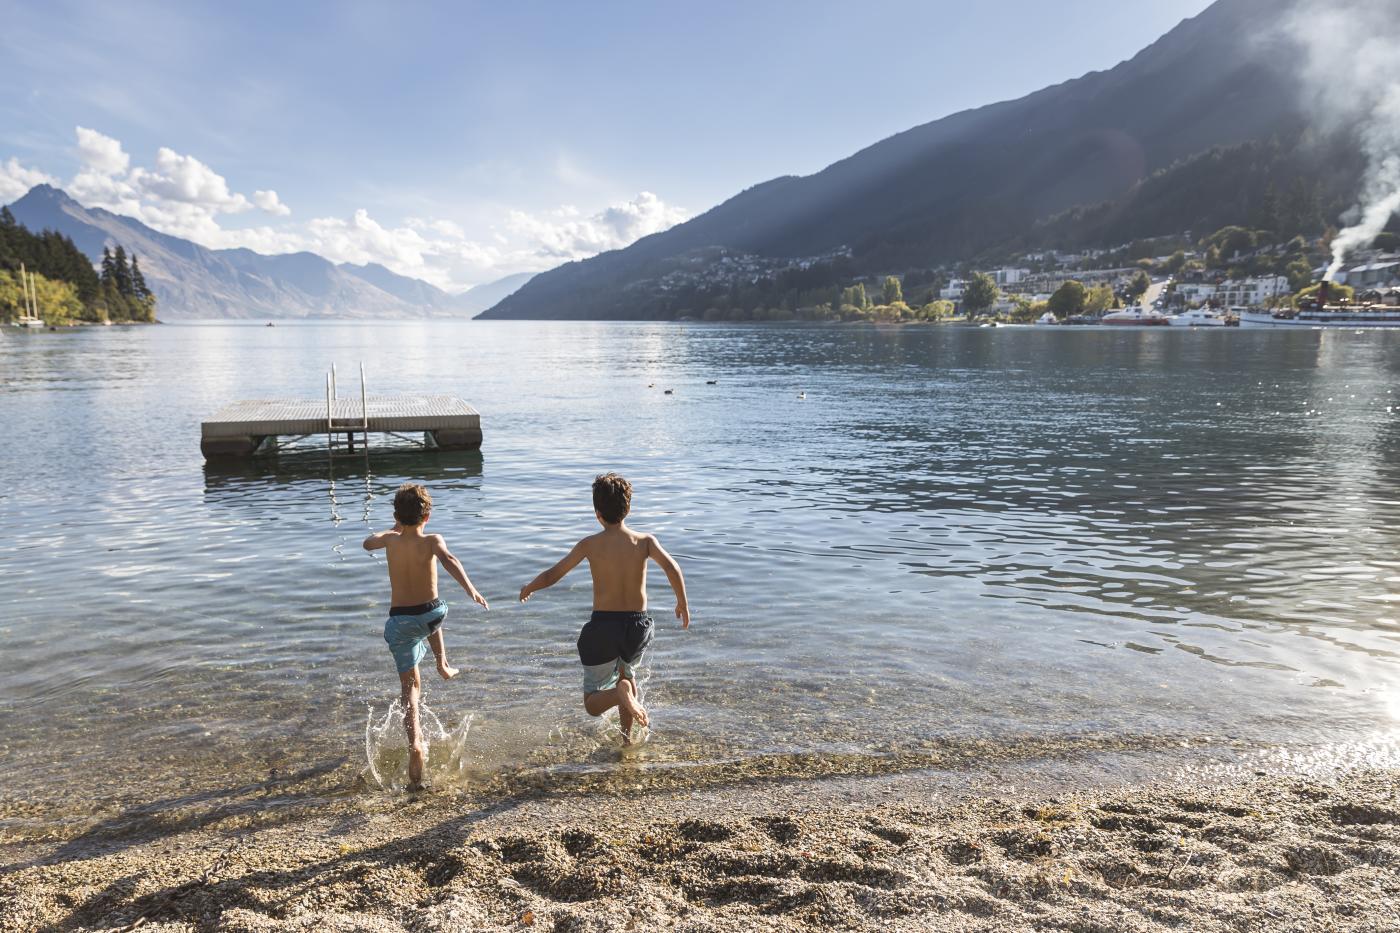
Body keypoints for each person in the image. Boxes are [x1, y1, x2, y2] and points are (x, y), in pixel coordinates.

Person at [519, 472, 689, 742]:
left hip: (603, 626)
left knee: (591, 702)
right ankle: (626, 738)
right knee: (626, 674)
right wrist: (682, 602)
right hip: (637, 626)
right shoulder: (645, 541)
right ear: (629, 508)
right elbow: (672, 567)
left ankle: (618, 694)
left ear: (597, 512)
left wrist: (529, 587)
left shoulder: (590, 544)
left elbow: (553, 575)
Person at [364, 483, 489, 789]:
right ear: (427, 516)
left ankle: (415, 744)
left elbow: (368, 543)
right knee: (434, 613)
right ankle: (443, 663)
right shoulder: (433, 539)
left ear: (396, 515)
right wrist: (470, 589)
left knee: (409, 690)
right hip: (432, 614)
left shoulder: (391, 541)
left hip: (400, 621)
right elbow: (450, 560)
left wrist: (394, 528)